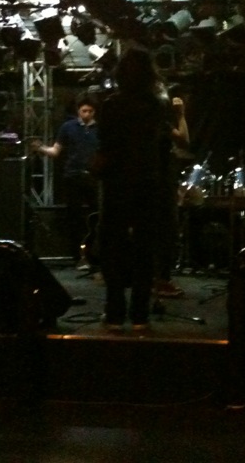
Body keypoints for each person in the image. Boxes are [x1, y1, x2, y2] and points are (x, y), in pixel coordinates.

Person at [93, 46, 173, 331]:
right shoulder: (158, 106)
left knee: (111, 246)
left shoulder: (111, 105)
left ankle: (114, 311)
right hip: (148, 181)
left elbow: (105, 145)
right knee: (144, 248)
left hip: (116, 181)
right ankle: (140, 314)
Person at [32, 93, 99, 267]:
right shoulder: (68, 127)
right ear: (78, 111)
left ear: (94, 112)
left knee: (96, 216)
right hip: (73, 176)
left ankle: (94, 255)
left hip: (93, 177)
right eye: (84, 111)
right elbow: (56, 151)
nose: (87, 114)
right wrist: (41, 148)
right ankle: (78, 256)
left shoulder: (100, 129)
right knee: (74, 217)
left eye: (90, 111)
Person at [154, 83, 190, 299]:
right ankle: (162, 280)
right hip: (161, 181)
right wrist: (181, 115)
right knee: (167, 230)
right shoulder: (162, 122)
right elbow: (184, 140)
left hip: (150, 179)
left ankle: (154, 280)